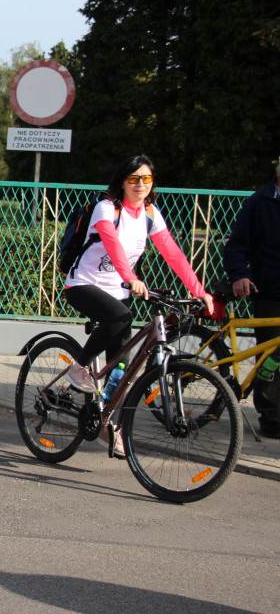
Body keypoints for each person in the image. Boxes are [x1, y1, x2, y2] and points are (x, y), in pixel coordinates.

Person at [62, 155, 214, 456]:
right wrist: (130, 277)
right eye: (133, 179)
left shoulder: (150, 213)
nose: (140, 184)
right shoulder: (107, 208)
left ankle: (107, 423)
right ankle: (78, 368)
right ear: (123, 181)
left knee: (122, 366)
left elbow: (172, 252)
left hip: (118, 291)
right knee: (122, 315)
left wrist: (199, 291)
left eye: (146, 179)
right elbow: (112, 243)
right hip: (83, 285)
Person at [223, 162, 280, 438]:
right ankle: (271, 416)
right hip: (271, 291)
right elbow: (236, 246)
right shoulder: (260, 202)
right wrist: (239, 275)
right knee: (270, 356)